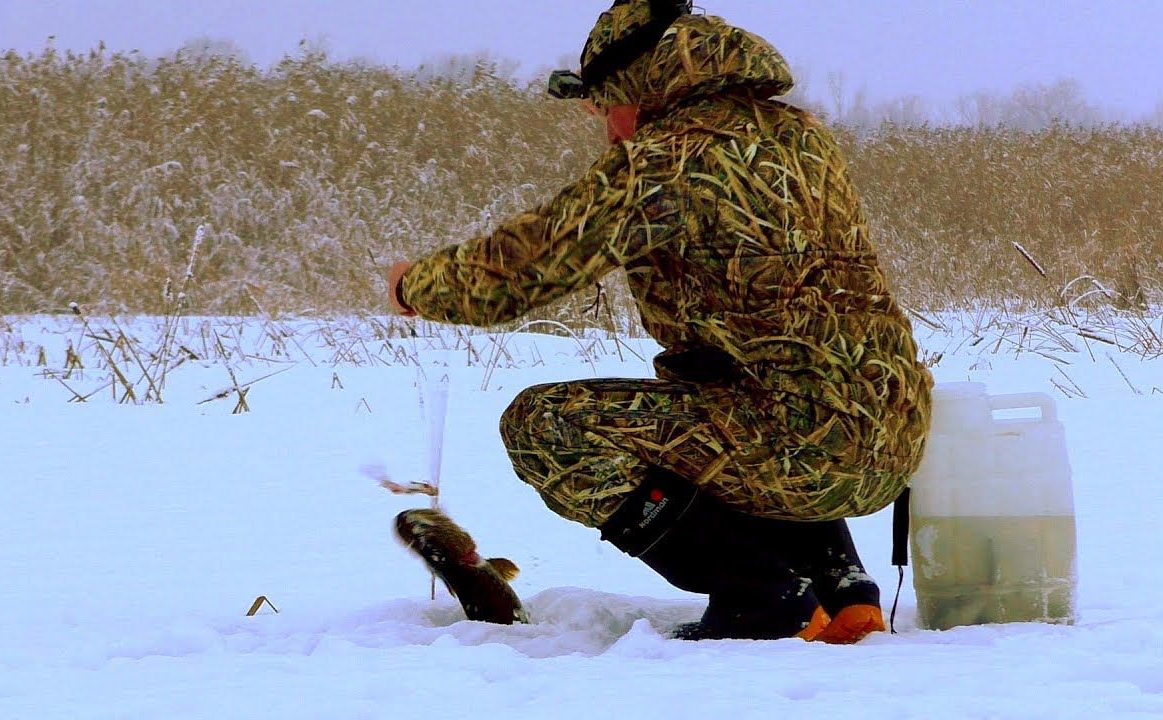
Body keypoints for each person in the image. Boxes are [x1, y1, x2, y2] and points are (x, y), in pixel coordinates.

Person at [386, 0, 933, 643]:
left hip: (805, 447)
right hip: (891, 432)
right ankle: (842, 591)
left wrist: (417, 286)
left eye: (603, 107)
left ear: (640, 88)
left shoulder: (671, 157)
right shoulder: (799, 136)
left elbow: (531, 263)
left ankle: (764, 600)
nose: (605, 127)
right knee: (716, 381)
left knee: (545, 426)